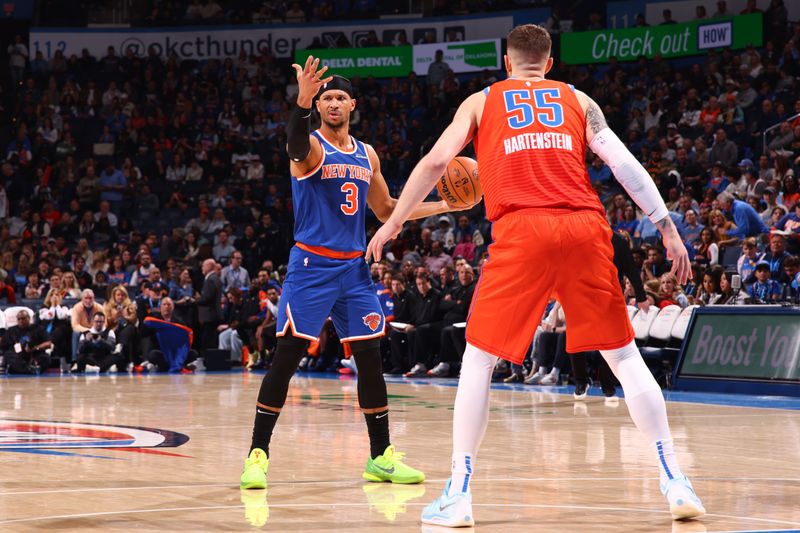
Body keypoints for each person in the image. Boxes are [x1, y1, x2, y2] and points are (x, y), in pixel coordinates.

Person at [367, 24, 704, 526]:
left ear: (507, 63)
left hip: (522, 228)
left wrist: (394, 220)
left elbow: (439, 160)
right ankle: (675, 479)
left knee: (478, 361)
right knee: (625, 357)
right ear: (548, 62)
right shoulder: (577, 98)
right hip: (585, 227)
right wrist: (667, 227)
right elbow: (623, 162)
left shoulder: (482, 102)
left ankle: (459, 494)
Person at [241, 58, 456, 491]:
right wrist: (300, 102)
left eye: (340, 97)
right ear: (318, 106)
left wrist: (446, 205)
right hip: (311, 266)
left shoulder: (367, 154)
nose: (334, 103)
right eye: (326, 98)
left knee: (370, 359)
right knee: (287, 358)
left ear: (353, 104)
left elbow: (388, 210)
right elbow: (294, 146)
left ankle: (380, 457)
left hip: (353, 269)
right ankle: (257, 456)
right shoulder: (312, 147)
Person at [1, 309, 51, 374]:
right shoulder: (12, 330)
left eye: (23, 318)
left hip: (35, 353)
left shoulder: (38, 328)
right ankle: (30, 369)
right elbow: (4, 345)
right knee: (8, 355)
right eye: (19, 319)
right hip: (18, 356)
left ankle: (23, 369)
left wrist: (35, 348)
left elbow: (48, 343)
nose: (21, 321)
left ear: (29, 318)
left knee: (46, 359)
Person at [197, 258, 223, 351]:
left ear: (208, 266)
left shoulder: (211, 279)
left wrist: (195, 300)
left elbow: (207, 299)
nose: (202, 268)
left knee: (208, 340)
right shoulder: (215, 278)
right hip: (214, 314)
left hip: (210, 315)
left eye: (203, 266)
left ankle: (207, 360)